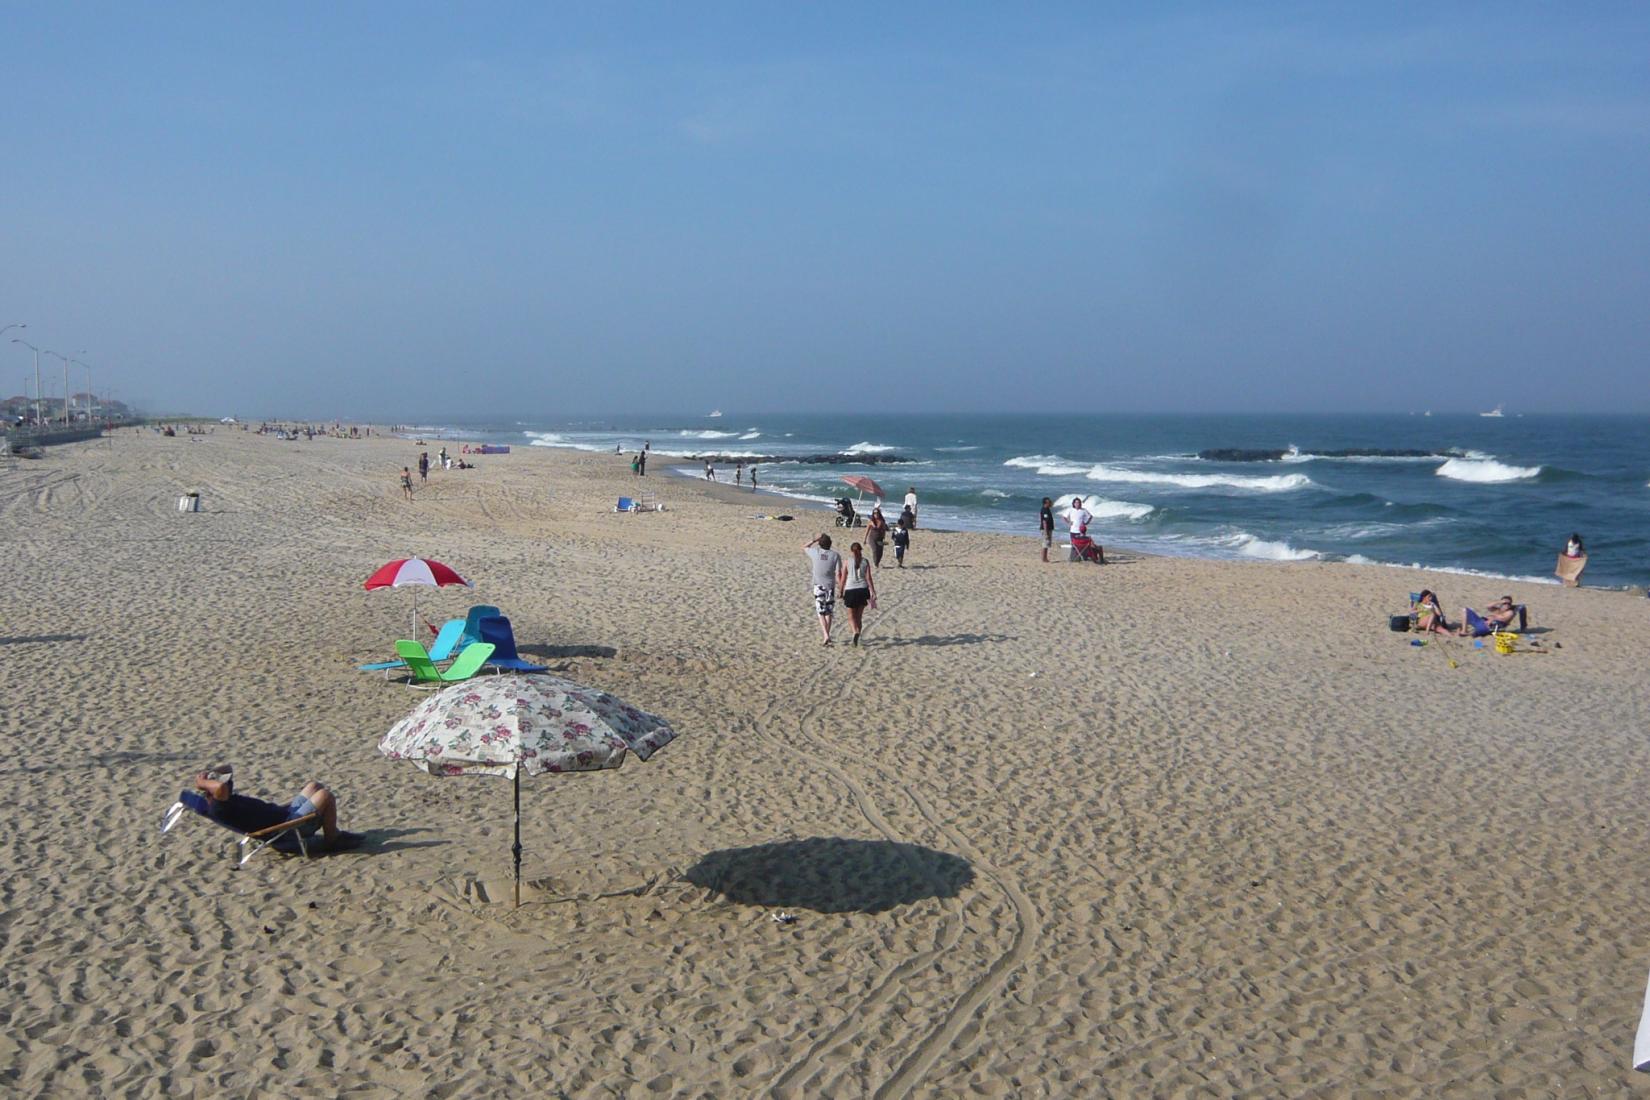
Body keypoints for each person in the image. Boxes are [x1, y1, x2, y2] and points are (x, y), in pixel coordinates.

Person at [193, 767, 342, 847]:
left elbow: (228, 768)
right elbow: (221, 788)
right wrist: (201, 784)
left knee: (314, 786)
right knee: (325, 795)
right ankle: (331, 840)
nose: (229, 784)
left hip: (286, 814)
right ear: (212, 791)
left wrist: (208, 772)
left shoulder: (226, 799)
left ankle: (332, 831)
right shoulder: (219, 807)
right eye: (225, 784)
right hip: (286, 829)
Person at [804, 534, 842, 645]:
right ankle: (827, 635)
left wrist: (814, 539)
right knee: (828, 611)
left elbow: (805, 547)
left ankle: (826, 635)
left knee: (821, 612)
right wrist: (841, 587)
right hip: (830, 586)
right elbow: (838, 573)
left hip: (818, 585)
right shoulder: (835, 555)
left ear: (820, 544)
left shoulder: (816, 552)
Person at [838, 542, 877, 646]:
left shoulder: (847, 561)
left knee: (851, 616)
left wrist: (841, 591)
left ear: (851, 551)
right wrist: (872, 591)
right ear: (861, 550)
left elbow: (843, 579)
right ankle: (858, 636)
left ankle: (855, 632)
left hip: (851, 590)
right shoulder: (865, 561)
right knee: (859, 616)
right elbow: (868, 578)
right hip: (863, 590)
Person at [1039, 497, 1055, 563]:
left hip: (1048, 529)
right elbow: (1044, 521)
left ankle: (1045, 558)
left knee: (1047, 544)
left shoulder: (1047, 509)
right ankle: (1044, 558)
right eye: (1049, 502)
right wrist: (1046, 532)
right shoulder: (1045, 510)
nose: (1050, 503)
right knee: (1045, 544)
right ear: (1046, 503)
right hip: (1046, 529)